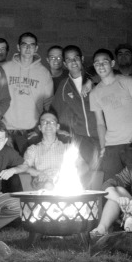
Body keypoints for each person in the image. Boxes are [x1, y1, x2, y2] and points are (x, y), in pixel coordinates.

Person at [90, 49, 132, 181]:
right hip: (111, 146)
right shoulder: (94, 93)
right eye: (97, 63)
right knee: (113, 186)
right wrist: (103, 146)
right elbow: (100, 123)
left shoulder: (128, 81)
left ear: (112, 63)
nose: (101, 66)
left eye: (104, 62)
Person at [51, 45, 100, 188]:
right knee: (85, 175)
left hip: (102, 135)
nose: (73, 62)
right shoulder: (64, 86)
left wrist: (92, 79)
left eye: (76, 58)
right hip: (81, 138)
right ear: (65, 64)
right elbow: (54, 110)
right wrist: (54, 129)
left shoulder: (96, 77)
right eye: (69, 60)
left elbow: (111, 74)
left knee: (102, 175)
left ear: (82, 59)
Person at [2, 32, 53, 155]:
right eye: (25, 45)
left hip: (32, 131)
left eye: (32, 45)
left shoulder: (43, 72)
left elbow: (48, 104)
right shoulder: (5, 68)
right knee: (8, 171)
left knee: (29, 169)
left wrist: (40, 128)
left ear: (36, 48)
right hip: (7, 129)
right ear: (18, 47)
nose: (28, 48)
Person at [23, 110, 68, 190]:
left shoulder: (67, 147)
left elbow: (83, 165)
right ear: (40, 127)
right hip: (42, 182)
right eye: (44, 122)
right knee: (48, 185)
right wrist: (39, 173)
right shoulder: (33, 149)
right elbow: (24, 167)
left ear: (57, 127)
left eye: (52, 122)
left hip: (65, 181)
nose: (48, 125)